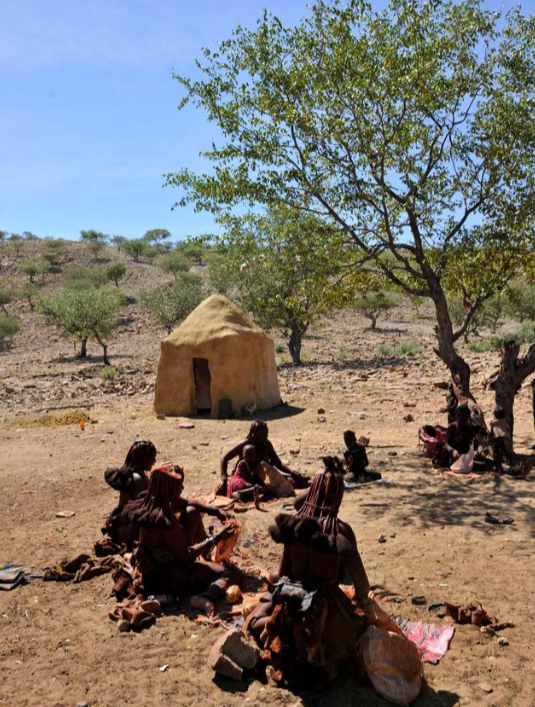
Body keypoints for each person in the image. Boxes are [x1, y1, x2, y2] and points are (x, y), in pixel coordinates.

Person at [246, 457, 382, 685]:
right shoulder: (341, 532)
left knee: (256, 618)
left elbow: (283, 572)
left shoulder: (292, 526)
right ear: (339, 496)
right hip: (325, 610)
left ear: (313, 490)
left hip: (291, 608)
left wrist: (319, 483)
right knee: (357, 628)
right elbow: (363, 587)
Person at [129, 465, 242, 616]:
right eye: (179, 484)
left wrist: (215, 510)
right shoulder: (165, 518)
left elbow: (189, 503)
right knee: (231, 573)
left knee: (192, 512)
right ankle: (204, 597)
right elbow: (186, 555)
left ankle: (166, 597)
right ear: (169, 487)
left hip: (152, 574)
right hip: (171, 577)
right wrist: (216, 538)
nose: (182, 487)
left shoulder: (152, 502)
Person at [97, 440, 157, 553]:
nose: (154, 461)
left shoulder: (135, 475)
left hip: (121, 522)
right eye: (152, 457)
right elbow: (146, 506)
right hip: (129, 525)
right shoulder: (138, 479)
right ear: (144, 459)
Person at [219, 421, 308, 496]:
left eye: (266, 434)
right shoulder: (245, 444)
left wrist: (292, 472)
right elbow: (224, 458)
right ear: (254, 434)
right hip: (246, 478)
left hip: (262, 476)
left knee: (294, 481)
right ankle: (242, 493)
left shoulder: (266, 444)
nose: (265, 437)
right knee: (269, 488)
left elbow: (278, 463)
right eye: (262, 434)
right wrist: (224, 479)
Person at [490, 407, 514, 472]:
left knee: (496, 452)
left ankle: (497, 464)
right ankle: (510, 461)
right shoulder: (505, 421)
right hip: (506, 439)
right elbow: (508, 430)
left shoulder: (493, 423)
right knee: (507, 452)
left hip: (498, 439)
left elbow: (492, 433)